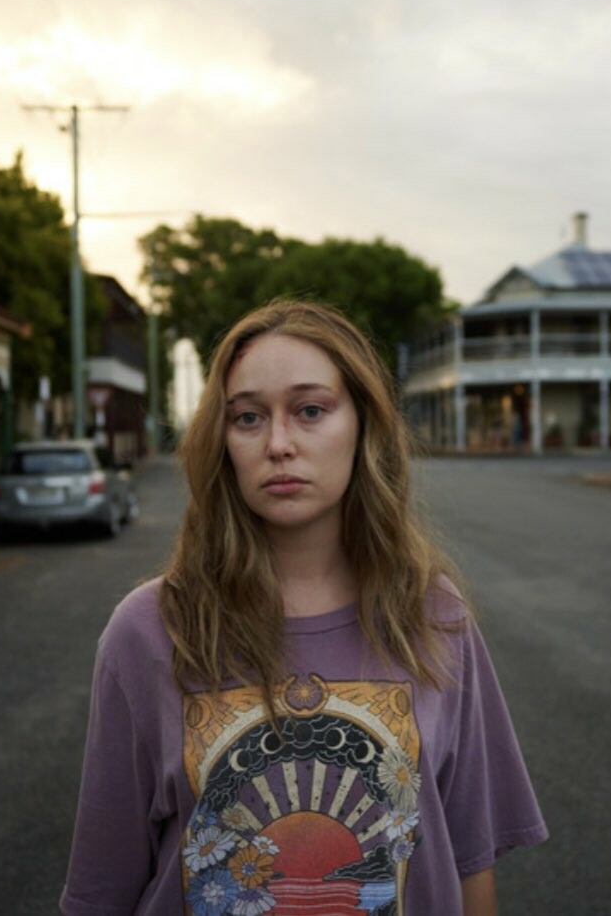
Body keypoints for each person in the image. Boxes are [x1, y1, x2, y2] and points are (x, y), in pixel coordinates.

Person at [61, 300, 548, 916]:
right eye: (248, 417)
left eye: (311, 410)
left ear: (364, 425)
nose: (278, 444)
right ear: (222, 441)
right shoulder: (149, 630)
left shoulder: (433, 614)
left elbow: (469, 863)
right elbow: (101, 892)